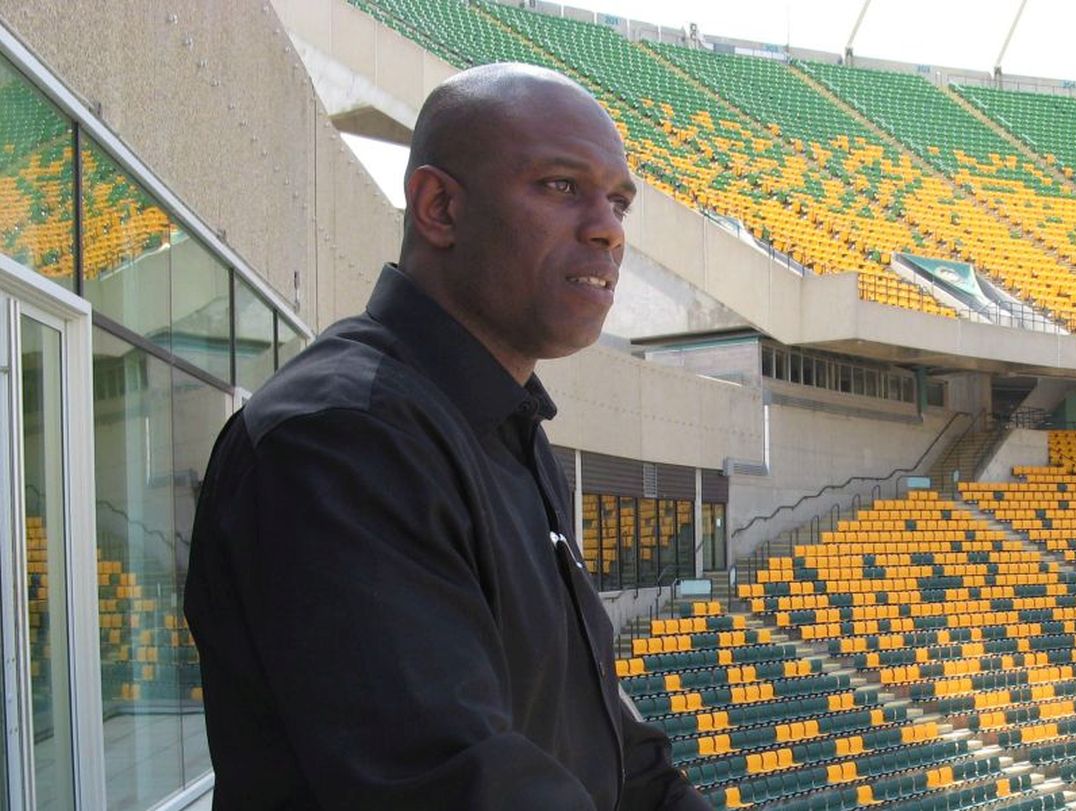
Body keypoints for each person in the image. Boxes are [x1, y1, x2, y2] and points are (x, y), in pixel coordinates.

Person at [184, 63, 709, 810]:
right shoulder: (340, 438)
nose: (609, 228)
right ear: (439, 207)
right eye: (561, 186)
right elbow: (458, 785)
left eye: (619, 200)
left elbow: (605, 741)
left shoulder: (511, 431)